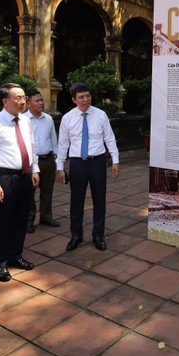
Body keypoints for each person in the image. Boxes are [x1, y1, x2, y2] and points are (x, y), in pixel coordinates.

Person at [0, 84, 39, 281]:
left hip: (24, 176)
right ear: (5, 101)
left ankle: (16, 255)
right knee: (4, 221)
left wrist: (35, 169)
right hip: (5, 178)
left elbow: (31, 146)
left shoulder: (25, 121)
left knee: (21, 219)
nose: (22, 101)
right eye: (17, 98)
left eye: (24, 97)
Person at [57, 82, 120, 252]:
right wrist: (60, 167)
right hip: (77, 163)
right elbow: (62, 144)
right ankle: (76, 235)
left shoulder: (100, 115)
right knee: (76, 200)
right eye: (81, 97)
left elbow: (110, 138)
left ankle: (98, 235)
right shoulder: (67, 118)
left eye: (88, 96)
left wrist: (115, 160)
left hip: (97, 162)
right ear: (73, 99)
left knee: (99, 200)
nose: (86, 100)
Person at [25, 90, 60, 233]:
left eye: (41, 100)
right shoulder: (23, 120)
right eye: (37, 101)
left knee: (47, 190)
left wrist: (57, 157)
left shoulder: (48, 118)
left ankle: (46, 216)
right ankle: (28, 220)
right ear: (28, 103)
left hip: (48, 159)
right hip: (31, 161)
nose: (41, 103)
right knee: (29, 192)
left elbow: (53, 138)